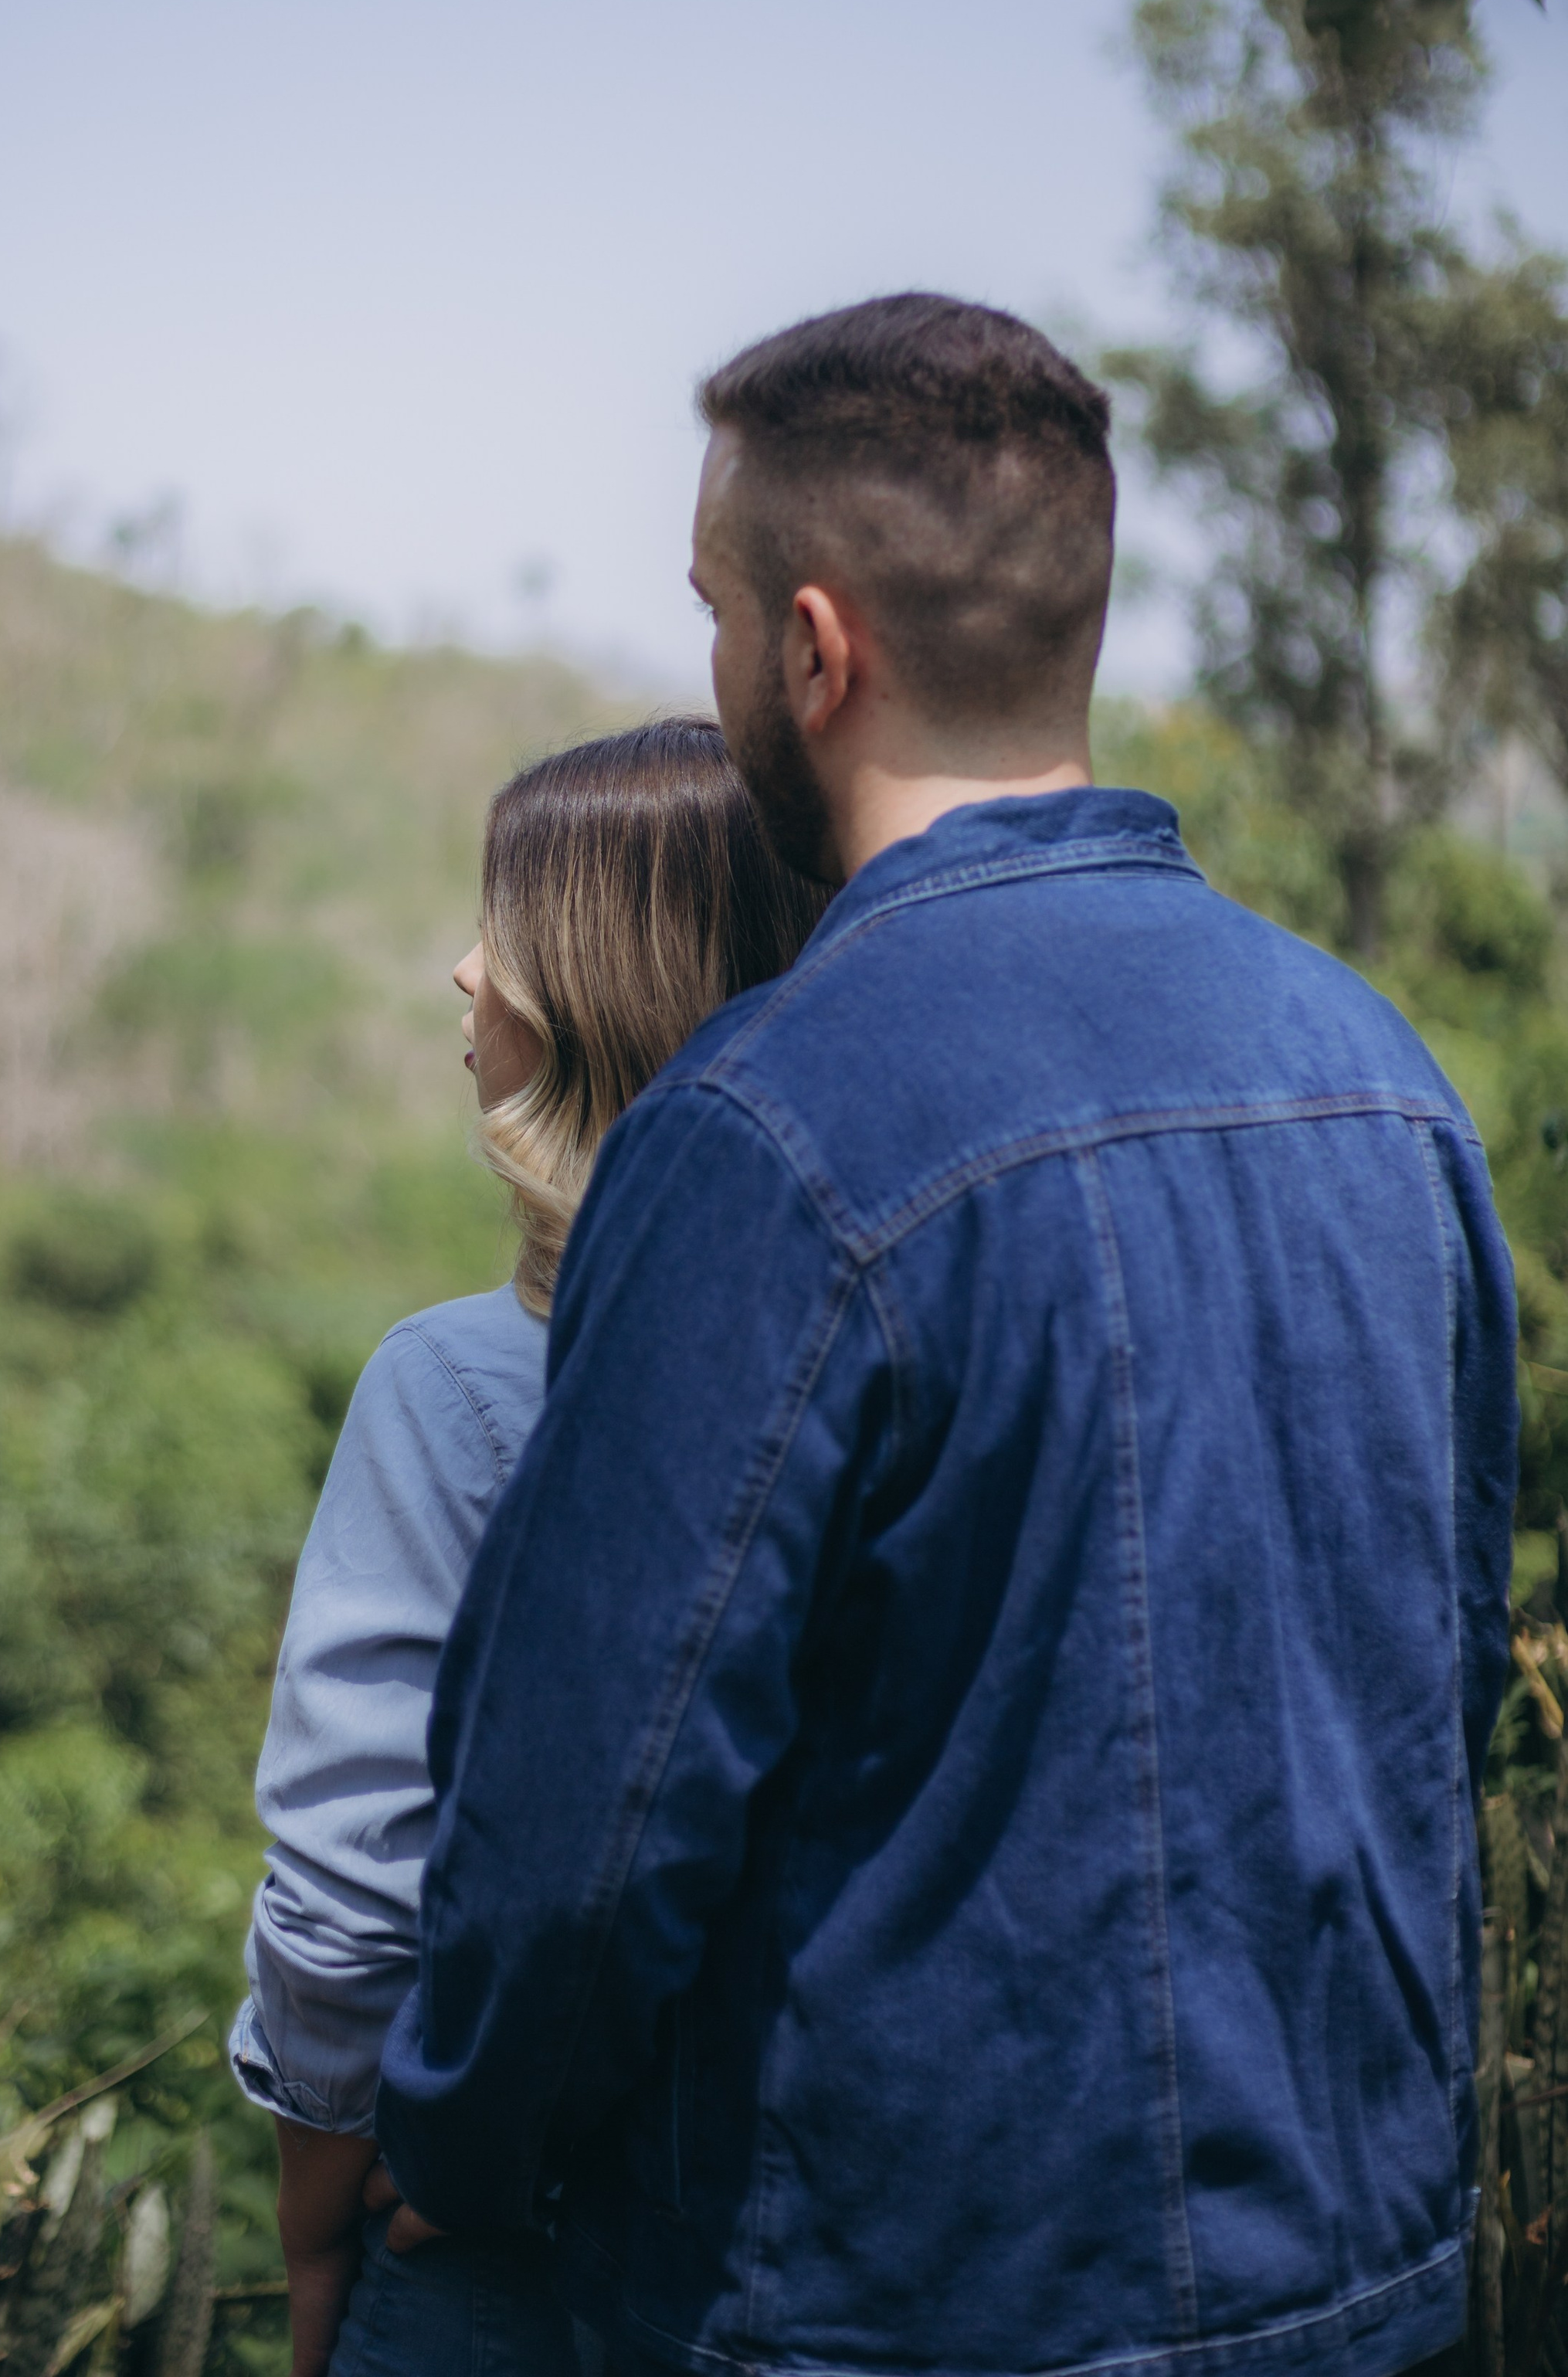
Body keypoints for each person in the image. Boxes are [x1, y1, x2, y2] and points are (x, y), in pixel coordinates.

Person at [369, 294, 1521, 2377]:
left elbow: (578, 1847)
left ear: (815, 651)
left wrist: (452, 2133)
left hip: (896, 2322)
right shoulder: (1384, 1080)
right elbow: (1434, 1709)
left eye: (719, 614)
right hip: (1368, 2299)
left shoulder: (757, 1132)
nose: (719, 667)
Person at [231, 718, 824, 2377]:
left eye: (506, 927)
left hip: (492, 2250)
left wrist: (313, 2219)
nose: (458, 972)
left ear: (593, 989)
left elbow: (352, 1894)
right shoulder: (859, 1351)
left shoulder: (458, 1389)